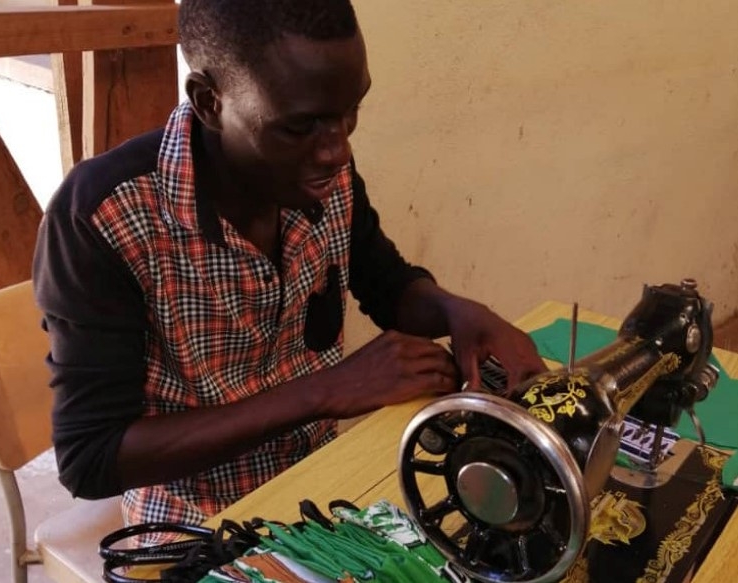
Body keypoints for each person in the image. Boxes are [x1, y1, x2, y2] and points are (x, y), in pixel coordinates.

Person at [32, 0, 546, 527]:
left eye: (350, 112)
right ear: (210, 102)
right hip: (195, 527)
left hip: (324, 487)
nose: (337, 150)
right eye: (300, 127)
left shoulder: (316, 170)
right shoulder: (104, 218)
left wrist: (459, 313)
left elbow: (386, 283)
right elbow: (90, 457)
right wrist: (326, 390)